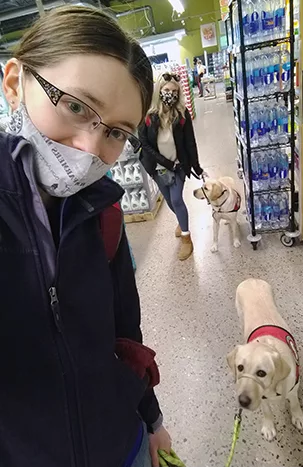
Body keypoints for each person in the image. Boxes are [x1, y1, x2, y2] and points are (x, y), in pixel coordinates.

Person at [0, 6, 171, 467]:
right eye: (76, 106)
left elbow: (124, 335)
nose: (91, 149)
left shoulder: (104, 212)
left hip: (125, 446)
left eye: (117, 132)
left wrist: (151, 421)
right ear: (14, 82)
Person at [139, 73, 205, 261]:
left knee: (176, 200)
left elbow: (190, 143)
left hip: (178, 165)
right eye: (167, 90)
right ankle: (180, 221)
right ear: (159, 90)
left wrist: (197, 167)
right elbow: (144, 142)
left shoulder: (182, 114)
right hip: (157, 167)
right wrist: (164, 162)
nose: (170, 94)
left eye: (174, 91)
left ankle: (186, 238)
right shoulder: (148, 115)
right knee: (168, 200)